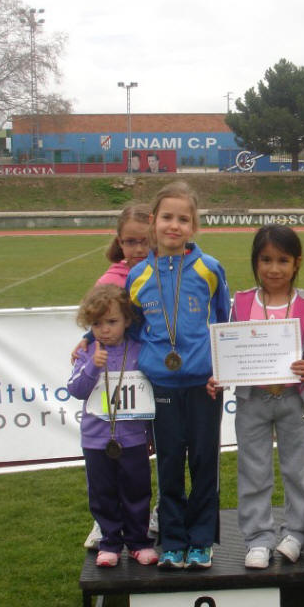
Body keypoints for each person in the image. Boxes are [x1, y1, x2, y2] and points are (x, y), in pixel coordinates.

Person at [207, 225, 304, 569]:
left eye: (282, 260)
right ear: (255, 262)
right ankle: (258, 538)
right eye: (265, 260)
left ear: (296, 263)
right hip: (252, 402)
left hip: (295, 401)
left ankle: (296, 533)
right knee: (254, 471)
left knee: (296, 470)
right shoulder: (242, 302)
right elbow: (228, 350)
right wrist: (220, 374)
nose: (273, 268)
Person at [126, 181, 231, 568]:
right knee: (169, 462)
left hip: (204, 385)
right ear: (153, 222)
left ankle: (202, 538)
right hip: (163, 385)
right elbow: (134, 328)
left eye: (183, 219)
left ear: (194, 225)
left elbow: (224, 321)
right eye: (167, 217)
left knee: (204, 461)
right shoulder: (137, 276)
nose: (175, 226)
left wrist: (219, 369)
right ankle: (172, 539)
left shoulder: (209, 269)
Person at [68, 285, 157, 568]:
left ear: (127, 321)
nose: (104, 330)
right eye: (96, 324)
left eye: (112, 322)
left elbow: (149, 397)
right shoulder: (86, 353)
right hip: (96, 439)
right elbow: (76, 389)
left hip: (133, 439)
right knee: (102, 492)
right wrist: (93, 366)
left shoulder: (140, 352)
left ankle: (138, 541)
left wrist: (151, 434)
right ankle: (110, 541)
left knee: (137, 490)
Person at [82, 203, 153, 550]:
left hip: (149, 367)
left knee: (142, 460)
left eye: (145, 241)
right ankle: (107, 528)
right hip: (116, 367)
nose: (138, 249)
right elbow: (94, 314)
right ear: (119, 242)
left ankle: (143, 523)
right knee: (108, 471)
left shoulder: (164, 271)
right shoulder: (111, 279)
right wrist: (85, 340)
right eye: (130, 242)